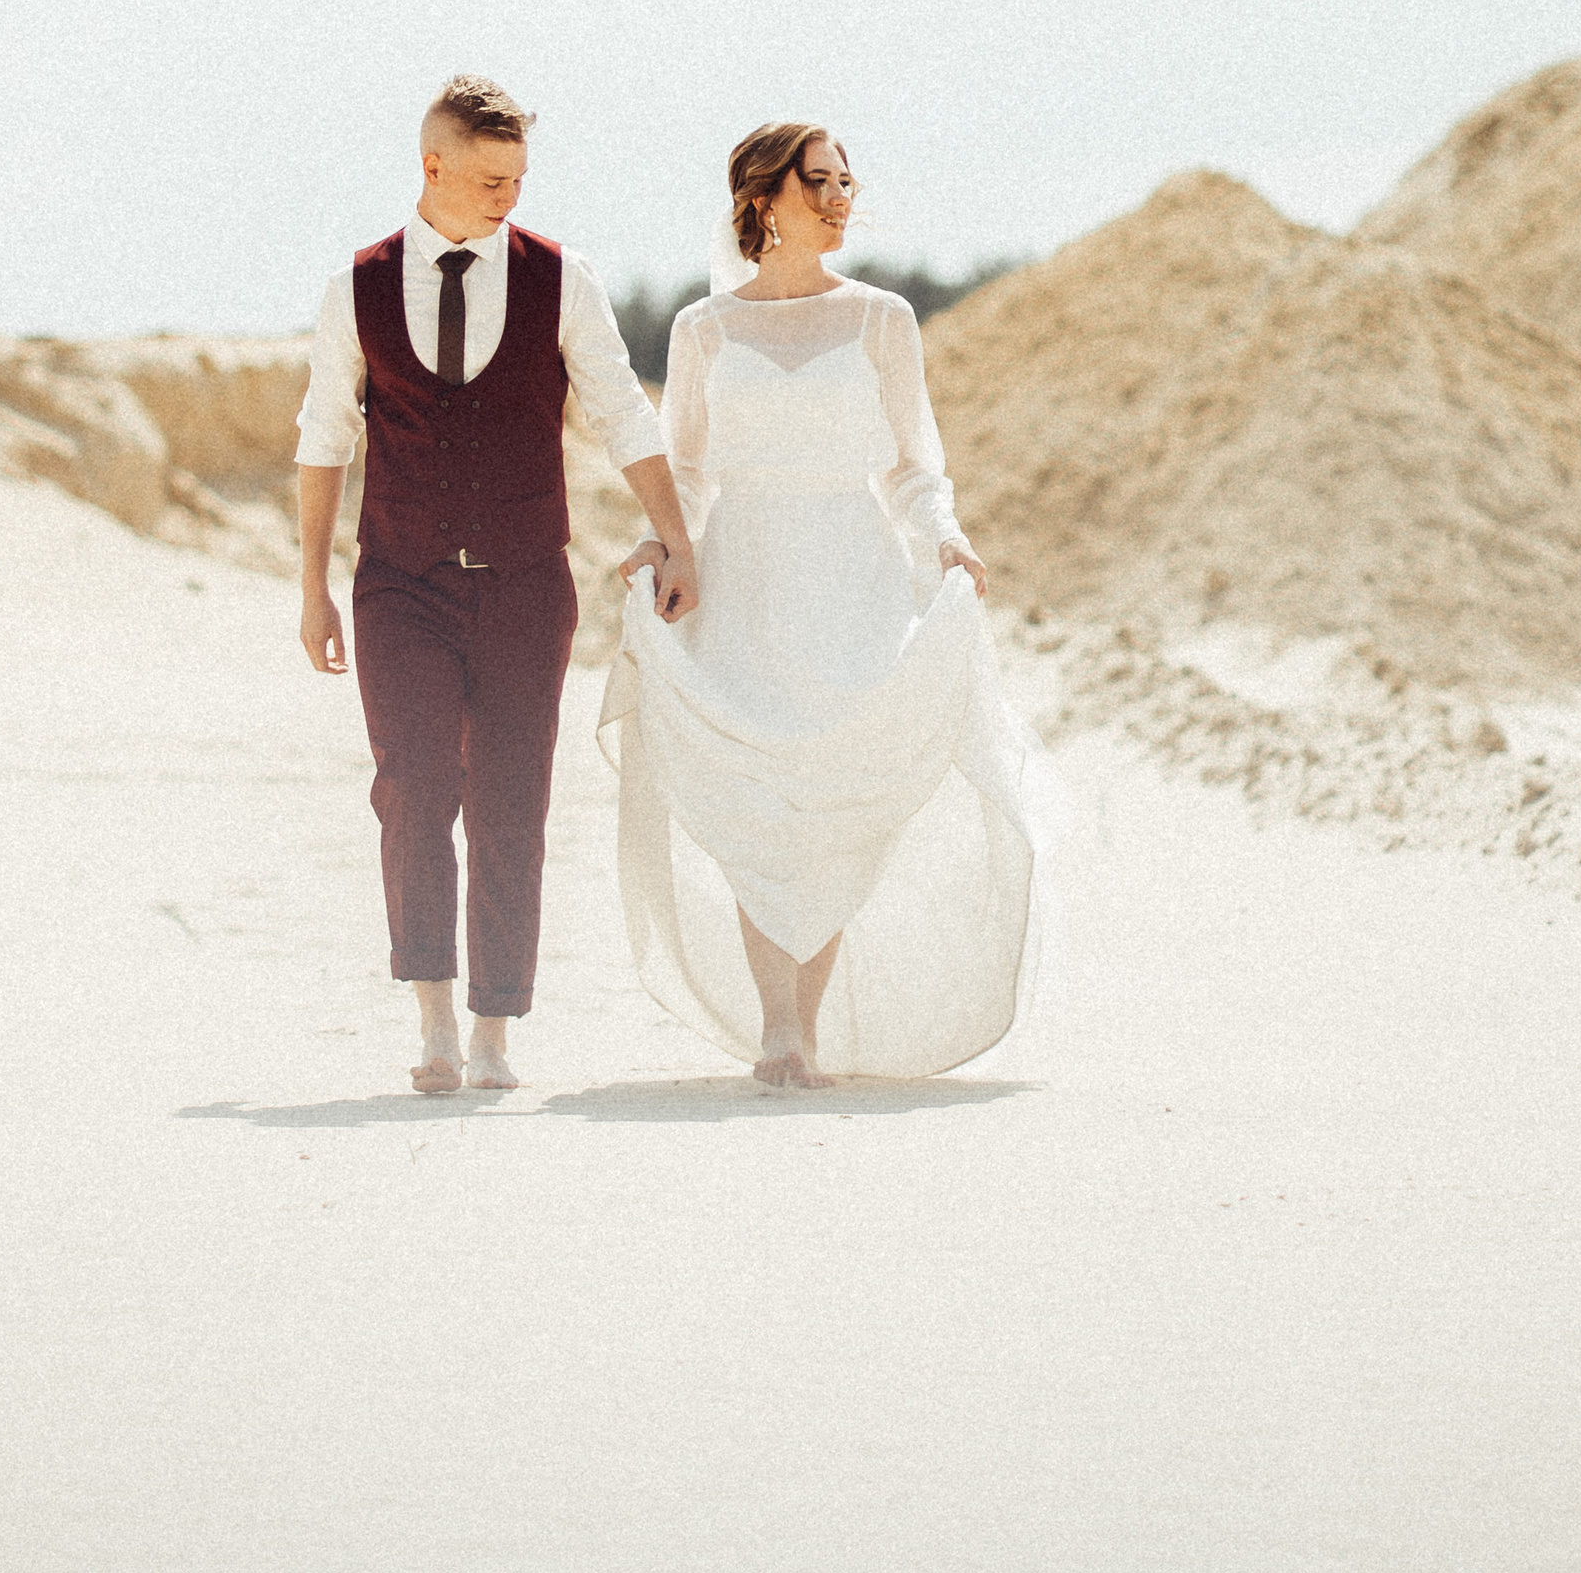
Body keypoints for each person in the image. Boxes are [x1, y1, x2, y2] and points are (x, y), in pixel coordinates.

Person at [601, 122, 1060, 1085]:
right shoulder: (703, 328)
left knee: (834, 796)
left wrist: (946, 535)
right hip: (744, 577)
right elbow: (688, 473)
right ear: (763, 197)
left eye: (848, 181)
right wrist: (662, 542)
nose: (841, 198)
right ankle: (782, 1030)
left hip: (854, 575)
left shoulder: (882, 319)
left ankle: (798, 1024)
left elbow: (912, 466)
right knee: (758, 800)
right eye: (819, 182)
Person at [297, 75, 698, 1093]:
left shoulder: (561, 279)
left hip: (525, 585)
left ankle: (493, 1031)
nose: (507, 197)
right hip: (400, 585)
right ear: (431, 167)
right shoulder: (356, 288)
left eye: (518, 179)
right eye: (488, 180)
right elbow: (324, 438)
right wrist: (312, 587)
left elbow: (621, 410)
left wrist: (676, 537)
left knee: (512, 806)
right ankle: (433, 1019)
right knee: (414, 787)